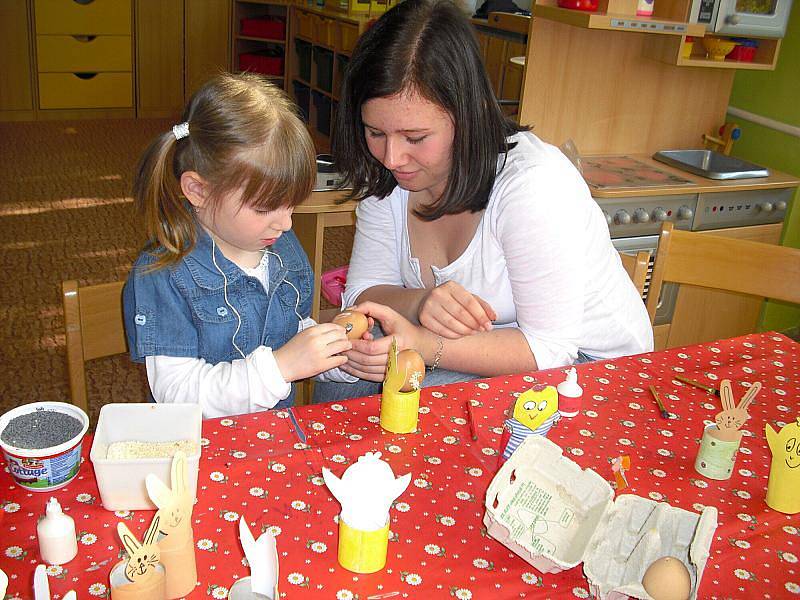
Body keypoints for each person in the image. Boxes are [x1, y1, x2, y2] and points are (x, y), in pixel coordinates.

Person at [313, 0, 653, 402]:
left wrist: (423, 344)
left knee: (423, 396)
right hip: (491, 343)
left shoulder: (533, 186)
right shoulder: (390, 175)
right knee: (339, 371)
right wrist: (419, 302)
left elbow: (550, 349)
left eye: (416, 138)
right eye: (375, 132)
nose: (391, 158)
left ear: (466, 115)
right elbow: (362, 294)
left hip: (593, 368)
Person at [123, 73, 356, 418]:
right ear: (198, 191)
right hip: (203, 450)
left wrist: (336, 354)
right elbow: (176, 394)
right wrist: (279, 368)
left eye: (291, 205)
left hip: (274, 439)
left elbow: (293, 332)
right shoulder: (163, 275)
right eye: (264, 209)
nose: (286, 223)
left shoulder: (283, 247)